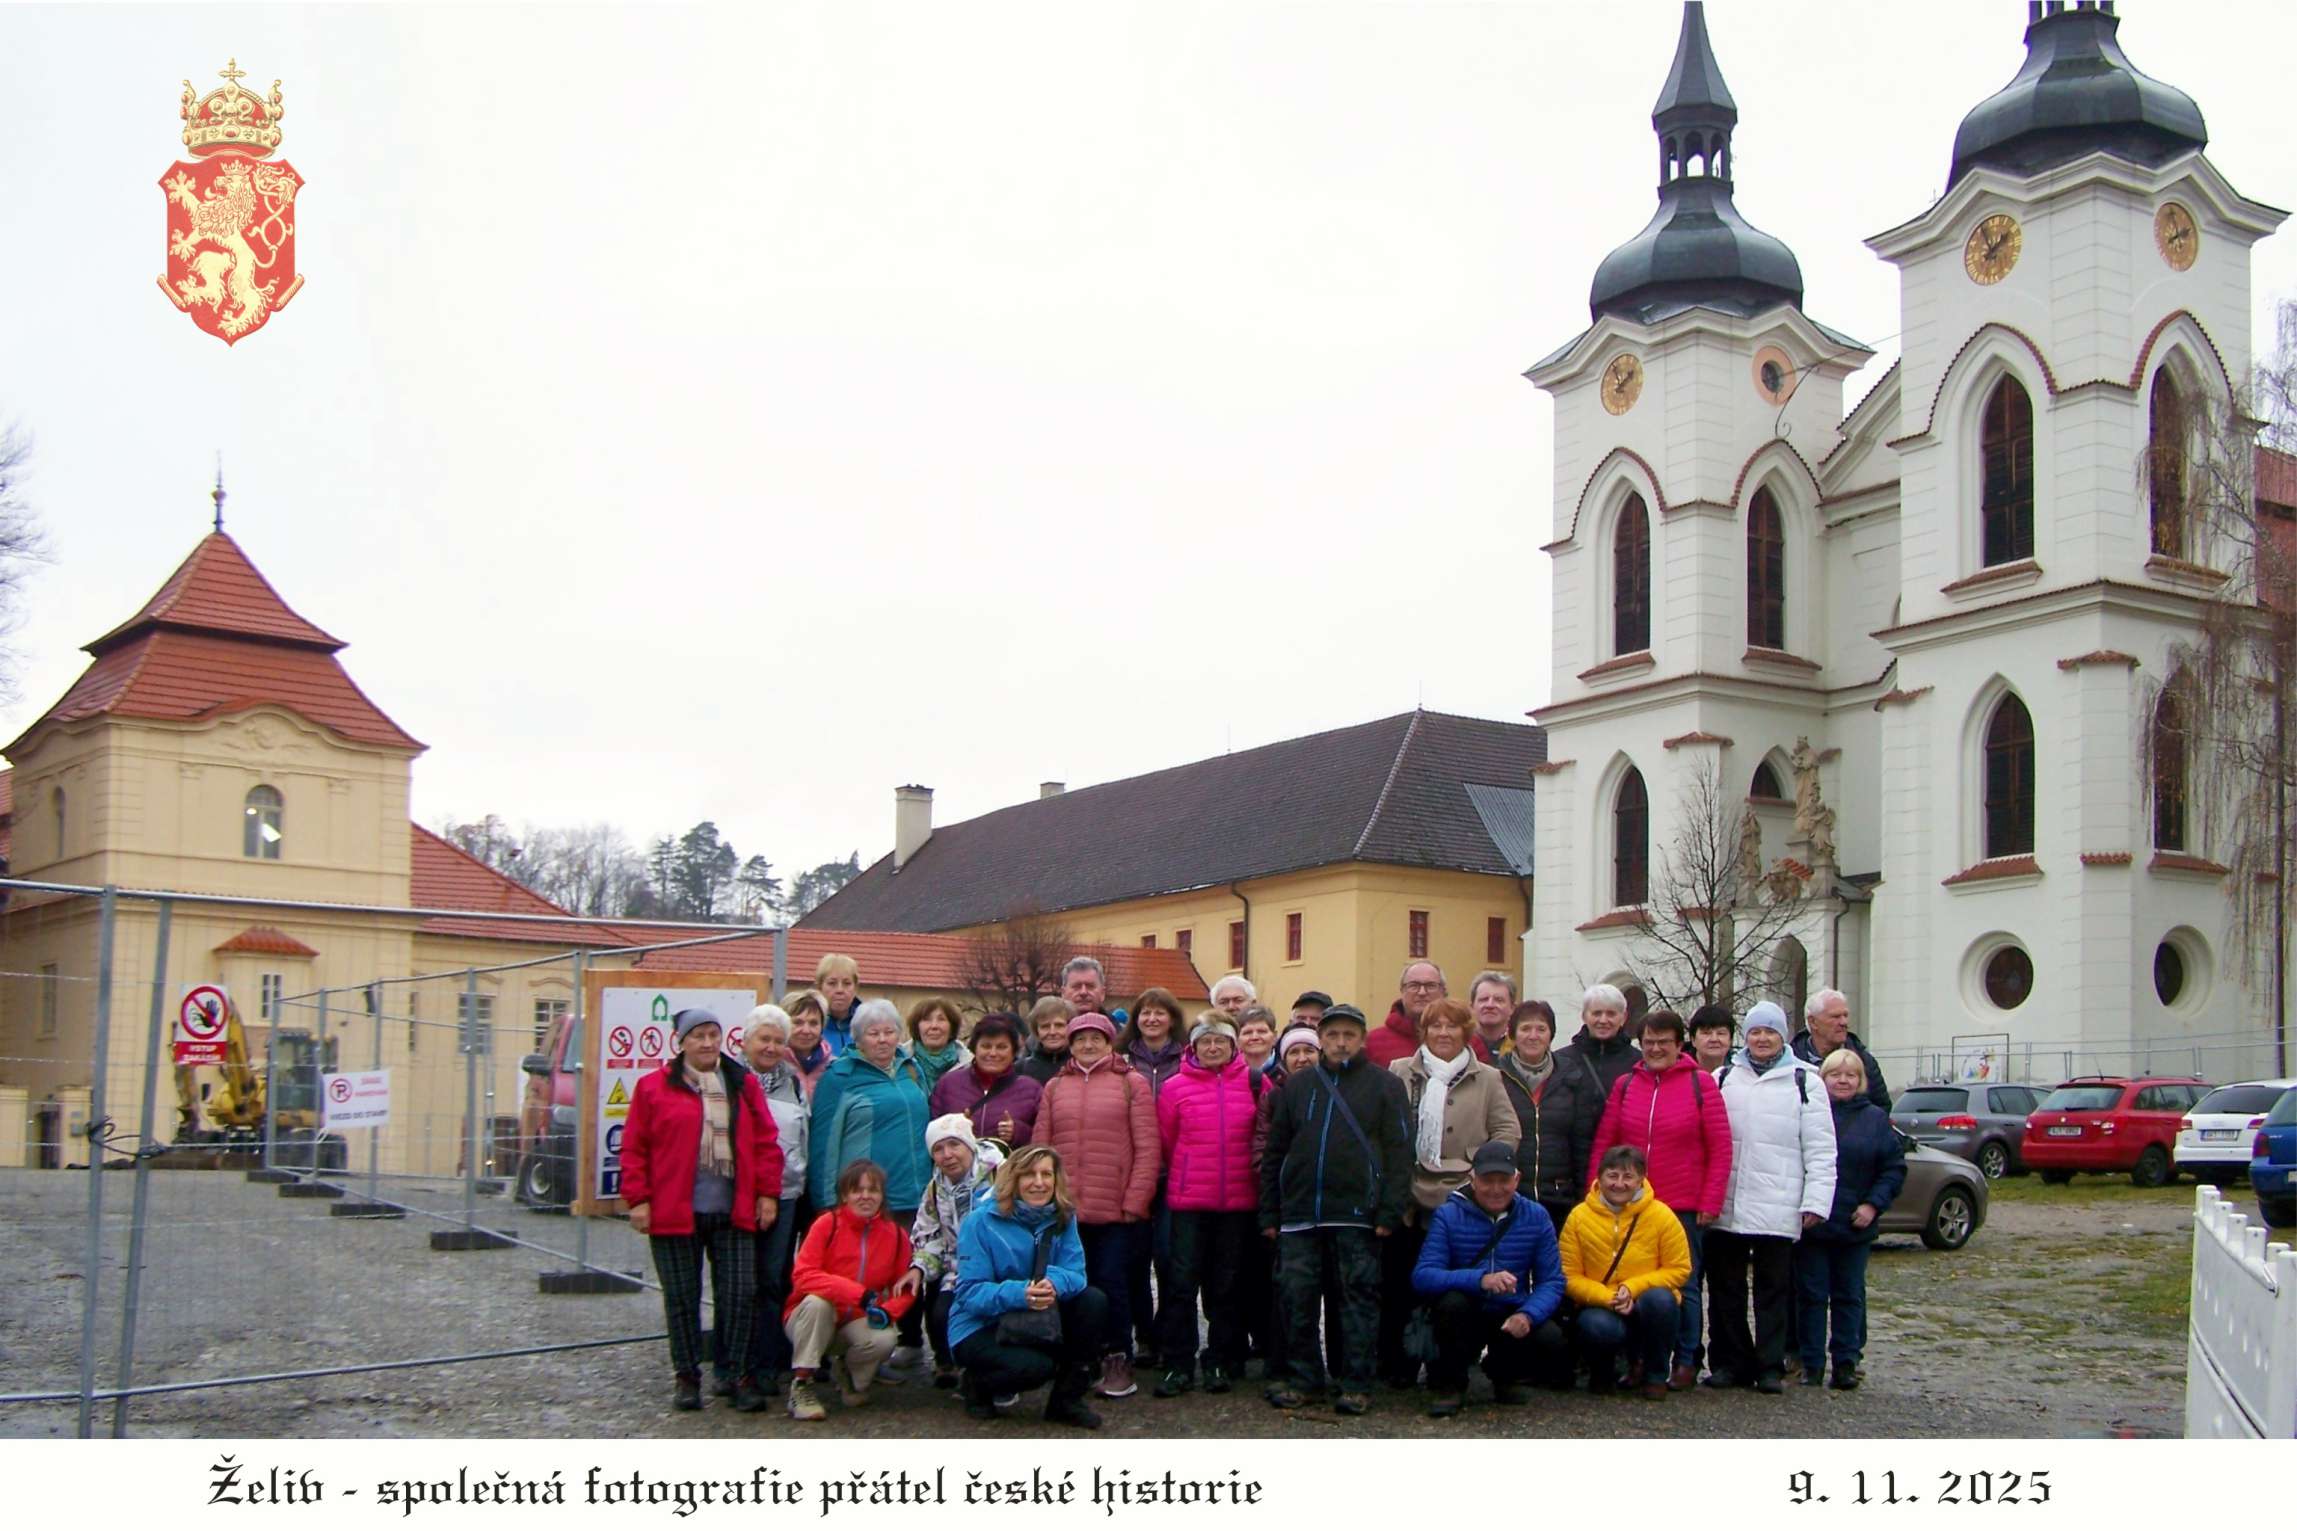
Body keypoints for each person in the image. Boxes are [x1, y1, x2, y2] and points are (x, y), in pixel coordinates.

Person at [619, 1007, 784, 1413]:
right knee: (681, 1296)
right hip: (674, 1210)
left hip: (733, 1209)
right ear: (681, 1041)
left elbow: (766, 1141)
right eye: (698, 1036)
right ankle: (687, 1375)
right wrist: (638, 1199)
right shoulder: (653, 1088)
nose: (708, 1043)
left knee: (740, 1295)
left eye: (713, 1034)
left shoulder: (741, 1084)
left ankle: (737, 1375)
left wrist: (767, 1194)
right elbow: (634, 1146)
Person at [1258, 1003, 1413, 1416]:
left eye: (1349, 1034)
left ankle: (1357, 1383)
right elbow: (1275, 1153)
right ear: (1320, 1039)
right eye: (1332, 1035)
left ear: (1361, 1039)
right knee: (1297, 1301)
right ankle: (1304, 1379)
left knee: (1358, 1303)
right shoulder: (1297, 1087)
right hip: (1300, 1214)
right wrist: (1270, 1213)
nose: (1340, 1042)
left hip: (1357, 1214)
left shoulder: (1384, 1086)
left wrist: (1390, 1211)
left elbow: (1400, 1153)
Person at [1586, 1009, 1733, 1391]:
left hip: (1682, 1203)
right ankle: (1641, 1360)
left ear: (1679, 1044)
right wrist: (1595, 1190)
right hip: (1631, 1203)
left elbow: (1720, 1148)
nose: (1655, 1049)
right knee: (1634, 1284)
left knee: (1684, 1284)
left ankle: (1685, 1360)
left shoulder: (1701, 1085)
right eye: (1648, 1042)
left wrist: (1711, 1199)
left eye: (1663, 1042)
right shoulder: (1626, 1085)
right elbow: (1606, 1141)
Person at [1384, 996, 1519, 1389]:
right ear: (1423, 1032)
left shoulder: (1489, 1078)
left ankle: (1450, 1368)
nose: (1443, 1033)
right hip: (1409, 1194)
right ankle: (1400, 1364)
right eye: (1435, 1026)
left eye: (1452, 1026)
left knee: (1453, 1294)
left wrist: (1481, 1170)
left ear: (1466, 1032)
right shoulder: (1398, 1072)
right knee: (1401, 1287)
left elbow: (1508, 1132)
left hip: (1465, 1197)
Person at [1707, 1001, 1837, 1395]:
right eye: (1755, 1032)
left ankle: (1769, 1365)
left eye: (1770, 1032)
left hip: (1778, 1201)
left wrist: (1816, 1200)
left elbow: (1820, 1147)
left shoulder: (1806, 1081)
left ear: (1783, 1036)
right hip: (1727, 1200)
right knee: (1726, 1289)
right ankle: (1731, 1362)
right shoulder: (1723, 1076)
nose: (1762, 1039)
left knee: (1773, 1291)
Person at [806, 1000, 935, 1378]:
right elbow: (825, 1141)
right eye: (873, 1033)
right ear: (858, 1039)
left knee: (908, 1271)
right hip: (866, 1196)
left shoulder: (910, 1069)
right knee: (864, 1274)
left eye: (889, 1032)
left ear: (900, 1034)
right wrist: (826, 1200)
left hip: (914, 1191)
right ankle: (852, 1353)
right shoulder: (840, 1076)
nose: (882, 1039)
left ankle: (904, 1345)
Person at [1035, 1011, 1159, 1399]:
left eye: (1096, 1039)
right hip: (1065, 1210)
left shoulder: (1131, 1084)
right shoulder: (1055, 1087)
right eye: (1080, 1039)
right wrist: (1043, 1199)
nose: (1088, 1046)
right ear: (1070, 1045)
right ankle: (1079, 1358)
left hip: (1115, 1210)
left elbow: (1147, 1148)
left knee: (1112, 1285)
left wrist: (1135, 1200)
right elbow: (1041, 1148)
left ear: (1110, 1042)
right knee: (1069, 1285)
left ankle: (1117, 1358)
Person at [949, 1143, 1109, 1429]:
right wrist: (1021, 1293)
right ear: (1014, 1179)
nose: (1039, 1183)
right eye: (1029, 1175)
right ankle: (976, 1384)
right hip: (983, 1324)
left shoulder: (1062, 1216)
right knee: (1034, 1369)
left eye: (1046, 1174)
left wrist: (1053, 1283)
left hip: (1037, 1314)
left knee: (1092, 1301)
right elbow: (970, 1293)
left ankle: (1067, 1399)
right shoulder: (980, 1222)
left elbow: (1076, 1273)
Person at [1410, 1140, 1567, 1417]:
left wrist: (1528, 1315)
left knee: (1549, 1336)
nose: (1496, 1189)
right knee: (1451, 1304)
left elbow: (1552, 1282)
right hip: (1466, 1307)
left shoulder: (1537, 1216)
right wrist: (1480, 1279)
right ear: (1472, 1179)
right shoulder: (1448, 1214)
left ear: (1516, 1179)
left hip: (1509, 1308)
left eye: (1503, 1180)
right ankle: (1451, 1385)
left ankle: (1504, 1375)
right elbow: (1423, 1275)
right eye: (1487, 1180)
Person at [1152, 1016, 1261, 1397]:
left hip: (1238, 1201)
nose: (1213, 1048)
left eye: (1220, 1041)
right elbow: (1168, 1140)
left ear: (1234, 1047)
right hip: (1189, 1201)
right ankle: (1179, 1362)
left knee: (1226, 1286)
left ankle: (1219, 1359)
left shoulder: (1255, 1083)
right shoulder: (1174, 1088)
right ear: (1192, 1048)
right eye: (1205, 1042)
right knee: (1181, 1284)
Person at [1797, 1049, 1905, 1390]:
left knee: (1848, 1296)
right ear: (1822, 1079)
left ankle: (1846, 1362)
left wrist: (1873, 1205)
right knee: (1811, 1297)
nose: (1843, 1081)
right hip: (1814, 1225)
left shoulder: (1875, 1119)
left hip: (1855, 1223)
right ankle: (1811, 1363)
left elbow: (1893, 1168)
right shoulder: (1809, 1112)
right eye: (1835, 1075)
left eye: (1850, 1075)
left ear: (1860, 1081)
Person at [783, 1159, 917, 1420]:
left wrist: (888, 1312)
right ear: (845, 1195)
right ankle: (801, 1384)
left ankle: (847, 1372)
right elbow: (803, 1275)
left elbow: (905, 1288)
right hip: (809, 1318)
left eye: (873, 1190)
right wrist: (856, 1294)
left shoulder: (896, 1236)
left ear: (882, 1195)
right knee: (817, 1303)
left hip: (854, 1320)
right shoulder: (826, 1224)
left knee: (885, 1338)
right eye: (857, 1190)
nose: (865, 1196)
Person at [1559, 1144, 1692, 1400]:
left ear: (1640, 1180)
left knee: (1662, 1301)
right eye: (1612, 1175)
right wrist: (1609, 1297)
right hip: (1601, 1302)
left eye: (1628, 1176)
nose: (1619, 1184)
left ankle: (1654, 1375)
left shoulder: (1661, 1216)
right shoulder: (1579, 1217)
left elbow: (1680, 1268)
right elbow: (1569, 1275)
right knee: (1595, 1325)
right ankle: (1602, 1373)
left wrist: (1632, 1288)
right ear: (1600, 1177)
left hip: (1646, 1302)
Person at [733, 1003, 809, 1397]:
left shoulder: (792, 1081)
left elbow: (801, 1135)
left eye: (779, 1041)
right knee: (739, 1281)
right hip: (737, 1194)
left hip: (785, 1192)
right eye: (764, 1039)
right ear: (745, 1041)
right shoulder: (727, 1078)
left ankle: (768, 1362)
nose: (771, 1047)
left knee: (773, 1279)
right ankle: (736, 1363)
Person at [907, 1114, 1004, 1389]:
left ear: (969, 1145)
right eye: (938, 1149)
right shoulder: (936, 1187)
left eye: (954, 1145)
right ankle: (948, 1363)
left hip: (1000, 1266)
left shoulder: (1002, 1174)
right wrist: (919, 1267)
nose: (947, 1155)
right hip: (957, 1268)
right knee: (940, 1311)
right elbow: (928, 1234)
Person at [1120, 986, 1188, 1370]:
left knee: (1167, 1257)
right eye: (1145, 1012)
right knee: (1134, 1258)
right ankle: (1144, 1334)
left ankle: (1165, 1333)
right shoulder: (1121, 1060)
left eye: (1160, 1012)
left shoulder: (1187, 1057)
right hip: (1131, 1172)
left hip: (1175, 1172)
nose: (1152, 1019)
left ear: (1172, 1019)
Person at [1496, 1000, 1603, 1239]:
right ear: (1513, 1034)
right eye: (1525, 1029)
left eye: (1541, 1029)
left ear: (1551, 1035)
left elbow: (1583, 1143)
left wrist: (1582, 1195)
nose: (1533, 1036)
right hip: (1509, 1198)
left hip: (1560, 1199)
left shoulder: (1573, 1077)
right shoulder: (1495, 1077)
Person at [928, 1011, 1041, 1147]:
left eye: (1001, 1047)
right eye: (986, 1046)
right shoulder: (948, 1084)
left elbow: (1043, 1138)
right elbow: (931, 1134)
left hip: (1012, 1167)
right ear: (974, 1049)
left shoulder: (1031, 1089)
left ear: (1013, 1051)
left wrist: (1017, 1132)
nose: (993, 1053)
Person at [1371, 960, 1492, 1068]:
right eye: (1414, 985)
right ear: (1402, 990)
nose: (1422, 992)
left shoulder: (1469, 1042)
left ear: (1443, 991)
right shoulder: (1374, 1042)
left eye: (1430, 986)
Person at [1791, 990, 1892, 1111]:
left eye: (1845, 1015)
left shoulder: (1864, 1061)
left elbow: (1882, 1108)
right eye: (1835, 1017)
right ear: (1813, 1022)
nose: (1844, 1022)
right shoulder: (1791, 1063)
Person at [1559, 983, 1641, 1099]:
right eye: (1596, 1013)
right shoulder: (1561, 1061)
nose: (1603, 1020)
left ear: (1624, 1017)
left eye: (1611, 1014)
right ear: (1584, 1016)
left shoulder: (1638, 1064)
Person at [904, 996, 972, 1095]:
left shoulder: (969, 1066)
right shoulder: (899, 1062)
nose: (934, 1026)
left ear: (952, 1027)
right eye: (927, 1019)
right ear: (916, 1027)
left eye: (941, 1019)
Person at [782, 989, 834, 1099]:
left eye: (813, 1023)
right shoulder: (774, 1066)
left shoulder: (834, 1067)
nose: (806, 1030)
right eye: (797, 1023)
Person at [815, 953, 863, 1057]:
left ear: (855, 988)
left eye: (847, 983)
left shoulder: (867, 1025)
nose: (840, 990)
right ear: (819, 987)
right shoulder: (808, 1027)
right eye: (832, 983)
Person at [1019, 996, 1074, 1085]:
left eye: (1059, 1025)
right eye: (1045, 1026)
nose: (1052, 1032)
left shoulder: (1082, 1067)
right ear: (1036, 1031)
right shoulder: (1020, 1069)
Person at [1468, 971, 1519, 1059]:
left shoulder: (1521, 1046)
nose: (1490, 1005)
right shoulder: (1460, 1044)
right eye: (1484, 999)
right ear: (1472, 1007)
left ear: (1512, 1008)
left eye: (1498, 1000)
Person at [1235, 1004, 1281, 1083]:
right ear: (1237, 1040)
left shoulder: (1286, 1071)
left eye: (1261, 1031)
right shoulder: (1228, 1073)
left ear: (1274, 1037)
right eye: (1247, 1032)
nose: (1255, 1037)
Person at [1689, 1004, 1737, 1075]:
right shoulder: (1677, 1073)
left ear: (1731, 1040)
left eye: (1721, 1033)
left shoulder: (1743, 1072)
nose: (1714, 1039)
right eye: (1706, 1033)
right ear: (1693, 1040)